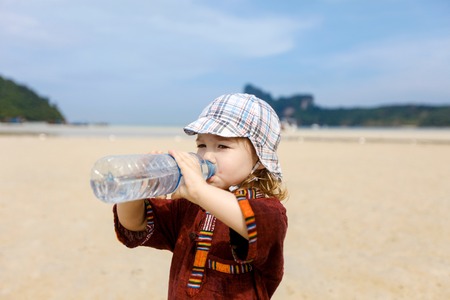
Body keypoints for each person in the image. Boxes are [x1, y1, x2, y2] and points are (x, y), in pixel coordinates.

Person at [114, 93, 288, 299]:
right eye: (201, 145)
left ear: (259, 160)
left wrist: (199, 191)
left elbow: (253, 224)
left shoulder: (270, 210)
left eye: (222, 146)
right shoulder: (190, 205)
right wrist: (135, 190)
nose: (206, 156)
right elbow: (134, 224)